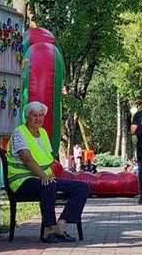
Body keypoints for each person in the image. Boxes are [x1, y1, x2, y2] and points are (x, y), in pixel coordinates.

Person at [7, 102, 90, 243]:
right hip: (22, 181)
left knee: (82, 187)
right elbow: (27, 159)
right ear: (27, 117)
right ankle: (48, 229)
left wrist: (59, 176)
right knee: (49, 185)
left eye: (41, 115)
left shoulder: (43, 133)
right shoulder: (19, 133)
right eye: (34, 115)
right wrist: (44, 176)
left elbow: (49, 160)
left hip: (43, 178)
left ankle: (61, 225)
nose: (38, 118)